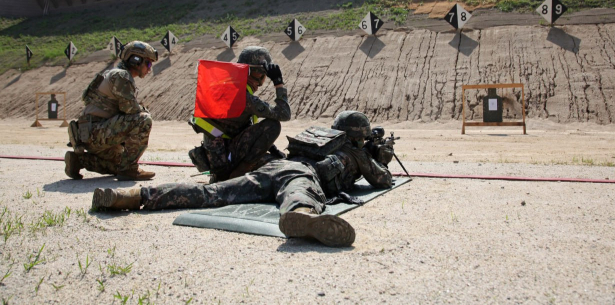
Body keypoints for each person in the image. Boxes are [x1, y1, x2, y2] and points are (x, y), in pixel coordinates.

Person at [92, 111, 394, 248]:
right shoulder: (355, 153)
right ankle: (300, 216)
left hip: (272, 167)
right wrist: (381, 157)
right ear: (360, 136)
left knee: (212, 194)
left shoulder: (323, 139)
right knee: (300, 191)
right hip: (299, 173)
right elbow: (382, 180)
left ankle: (133, 196)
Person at [188, 46, 290, 181]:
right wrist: (279, 84)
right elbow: (284, 114)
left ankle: (226, 175)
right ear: (258, 74)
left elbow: (246, 129)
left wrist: (273, 149)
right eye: (263, 74)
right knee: (273, 126)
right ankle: (239, 173)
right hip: (226, 162)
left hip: (218, 160)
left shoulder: (228, 89)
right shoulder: (244, 97)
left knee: (275, 158)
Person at [65, 41, 158, 181]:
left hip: (91, 135)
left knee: (118, 165)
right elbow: (130, 110)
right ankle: (129, 169)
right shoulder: (121, 76)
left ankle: (80, 161)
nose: (149, 69)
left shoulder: (112, 74)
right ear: (136, 60)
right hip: (97, 132)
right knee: (143, 119)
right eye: (148, 64)